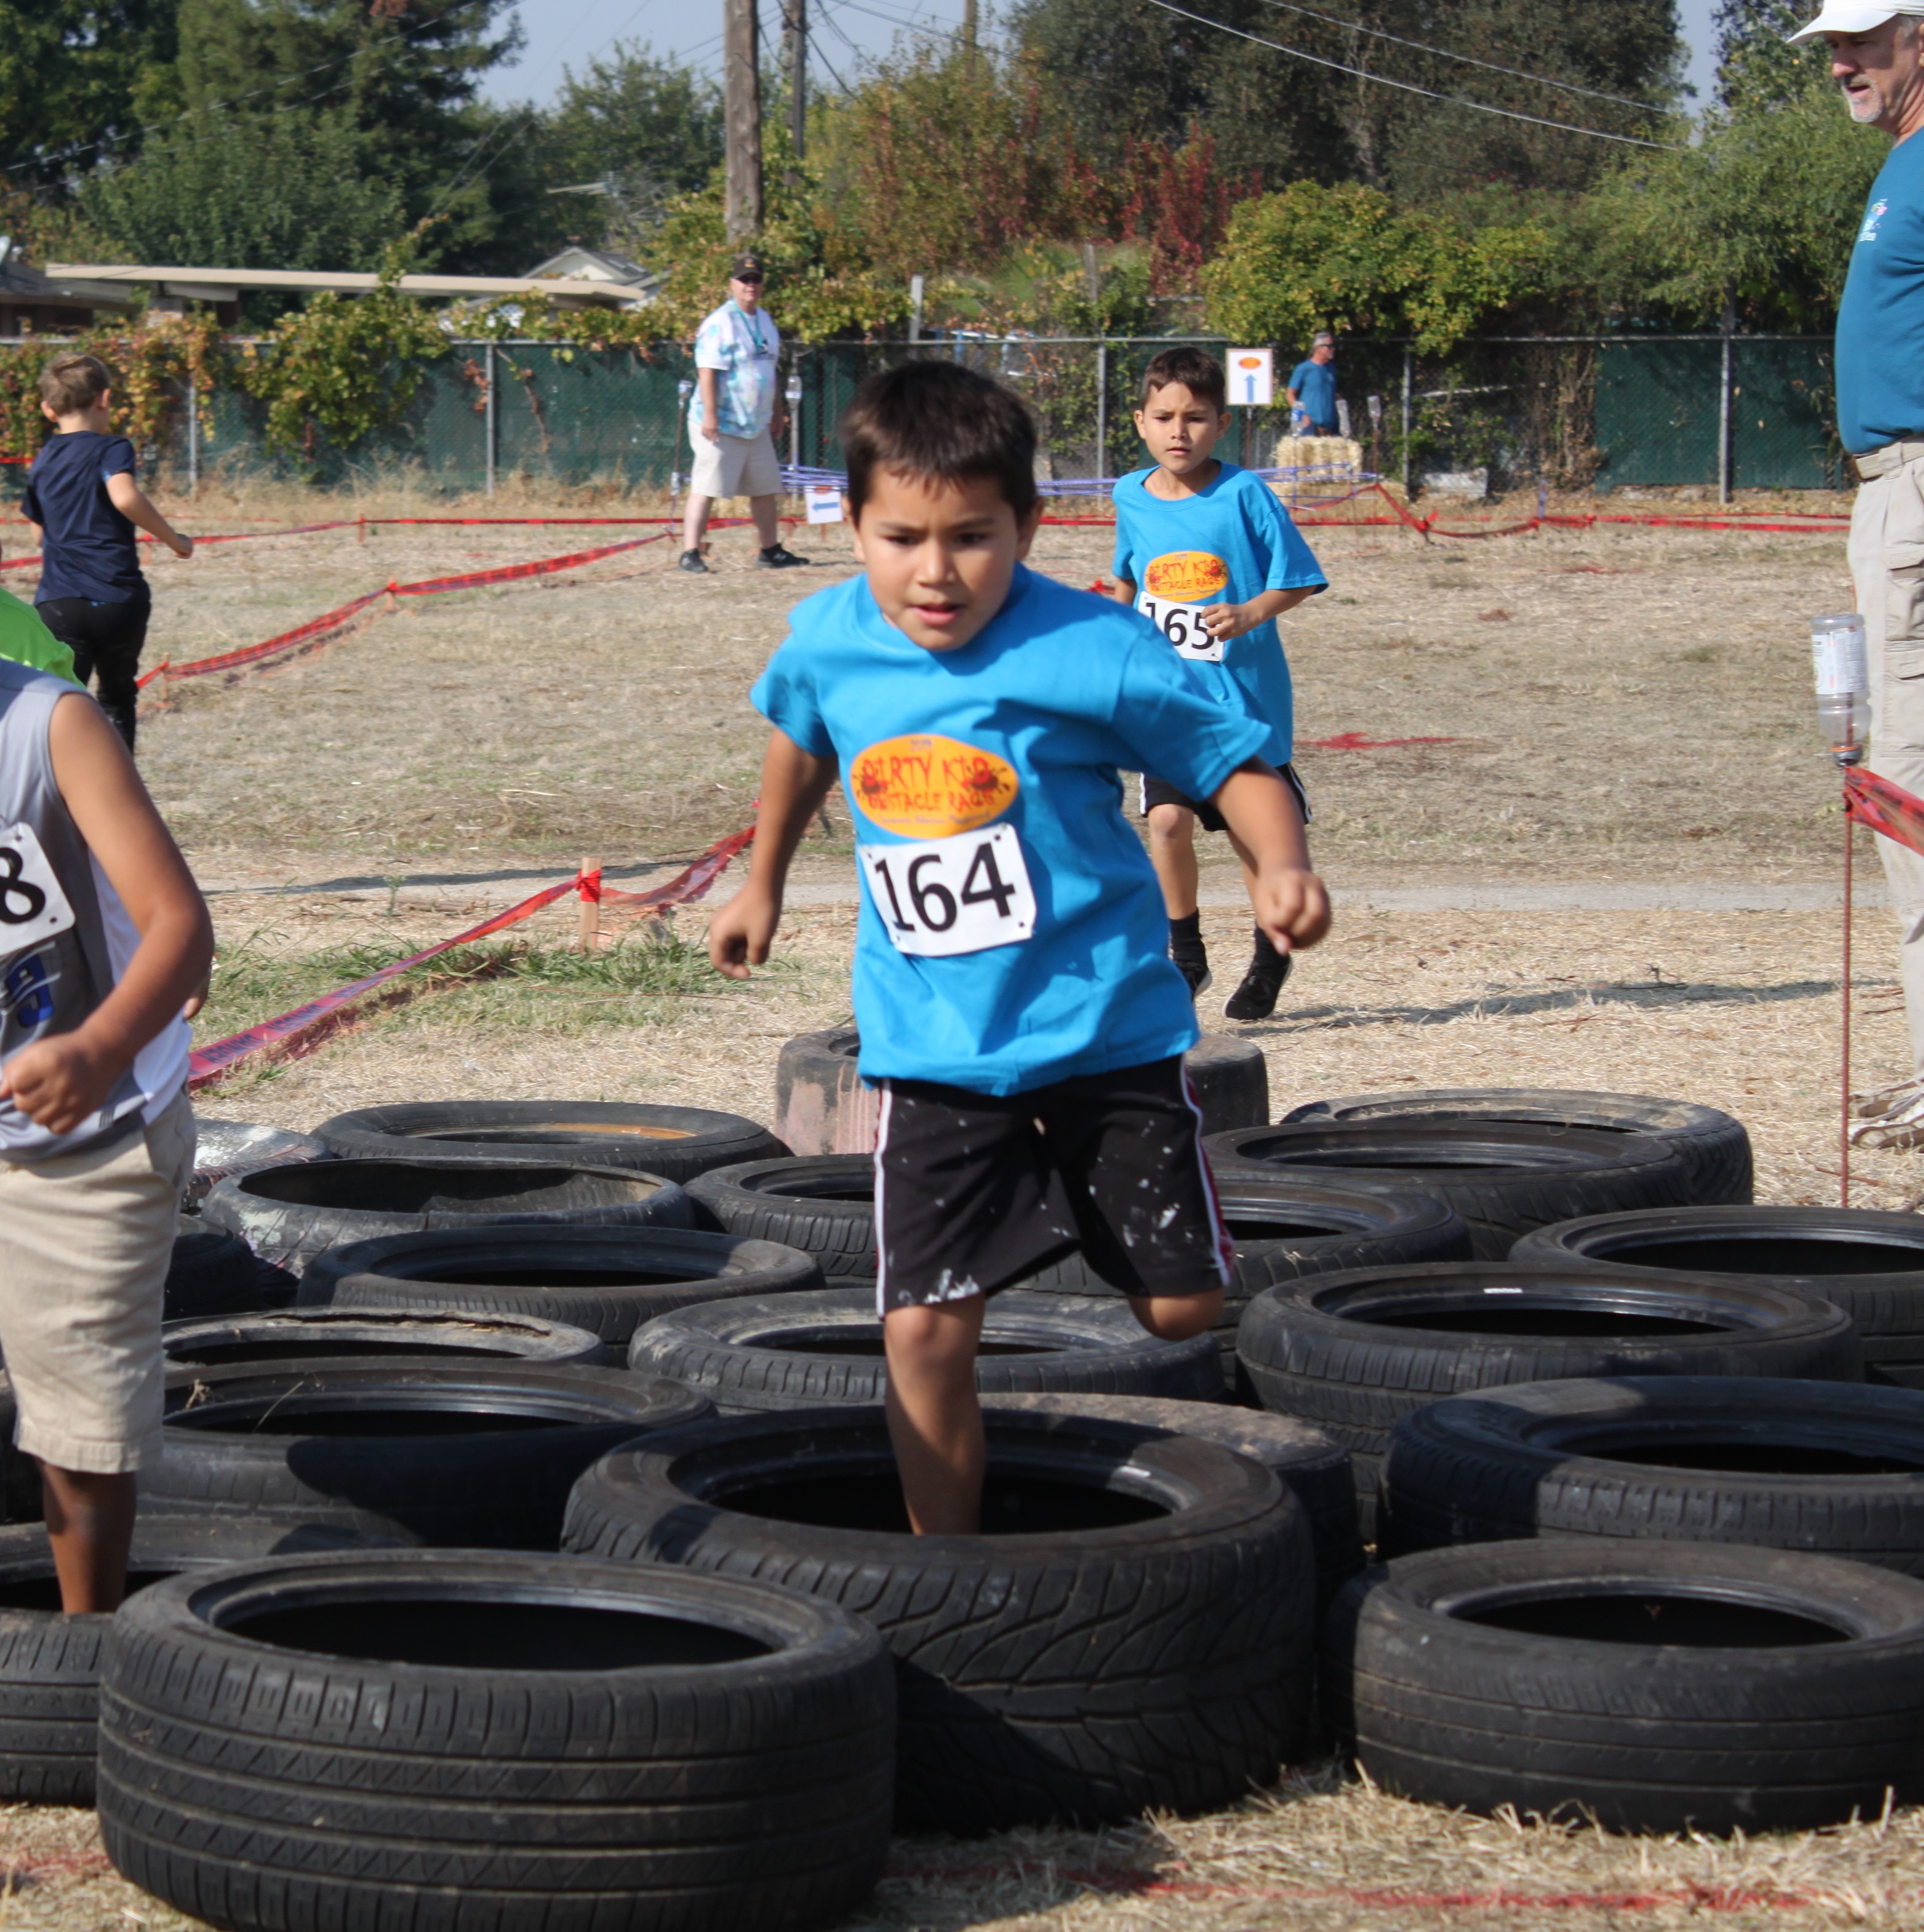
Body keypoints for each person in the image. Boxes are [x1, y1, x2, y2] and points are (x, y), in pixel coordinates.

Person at [709, 361, 1330, 1533]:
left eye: (972, 538)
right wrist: (763, 883)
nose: (935, 573)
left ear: (1031, 525)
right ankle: (948, 1557)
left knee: (1183, 1311)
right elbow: (801, 741)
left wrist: (1279, 865)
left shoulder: (1100, 646)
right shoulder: (829, 637)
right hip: (937, 1046)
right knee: (926, 1325)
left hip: (1104, 1029)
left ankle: (1070, 1200)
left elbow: (1236, 760)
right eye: (901, 538)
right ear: (849, 521)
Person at [0, 653, 213, 1612]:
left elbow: (178, 922)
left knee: (77, 1430)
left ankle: (89, 1654)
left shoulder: (48, 727)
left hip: (88, 1141)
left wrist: (95, 1050)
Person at [1795, 4, 1924, 1143]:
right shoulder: (1906, 166)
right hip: (1895, 487)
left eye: (1866, 40)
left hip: (1920, 492)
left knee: (1910, 787)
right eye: (1836, 48)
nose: (1844, 63)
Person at [1111, 346, 1328, 1020]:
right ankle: (1187, 957)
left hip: (1243, 705)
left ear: (1222, 424)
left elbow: (1298, 577)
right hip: (1170, 704)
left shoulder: (1244, 495)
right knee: (1167, 821)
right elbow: (1128, 575)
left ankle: (1270, 958)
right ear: (1141, 422)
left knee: (1249, 837)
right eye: (1165, 417)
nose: (1179, 432)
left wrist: (1248, 612)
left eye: (1196, 418)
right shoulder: (1127, 494)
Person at [22, 355, 192, 753]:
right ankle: (118, 797)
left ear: (49, 409)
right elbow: (124, 494)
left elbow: (36, 535)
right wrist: (174, 540)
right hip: (118, 599)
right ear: (105, 398)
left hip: (59, 603)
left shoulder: (41, 461)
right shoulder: (112, 448)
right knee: (116, 699)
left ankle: (61, 800)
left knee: (61, 705)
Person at [679, 253, 810, 575]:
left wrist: (777, 412)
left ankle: (770, 551)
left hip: (755, 425)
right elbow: (706, 370)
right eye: (744, 280)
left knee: (765, 489)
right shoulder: (720, 322)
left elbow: (770, 371)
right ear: (732, 285)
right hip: (721, 423)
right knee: (707, 487)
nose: (750, 285)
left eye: (756, 280)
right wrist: (710, 415)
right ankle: (690, 552)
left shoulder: (765, 320)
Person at [1286, 332, 1339, 438]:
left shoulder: (1331, 369)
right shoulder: (1304, 368)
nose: (1333, 349)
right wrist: (1301, 416)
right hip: (1309, 426)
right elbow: (1290, 395)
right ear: (1319, 348)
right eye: (1330, 347)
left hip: (1329, 425)